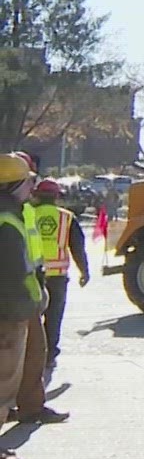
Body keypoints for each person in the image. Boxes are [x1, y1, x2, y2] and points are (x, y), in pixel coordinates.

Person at [9, 155, 64, 426]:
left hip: (27, 293)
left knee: (33, 353)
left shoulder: (24, 209)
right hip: (15, 297)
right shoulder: (10, 214)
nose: (33, 185)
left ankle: (30, 406)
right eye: (28, 179)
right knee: (12, 363)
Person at [0, 155, 42, 459]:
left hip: (12, 309)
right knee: (3, 383)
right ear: (15, 185)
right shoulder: (8, 220)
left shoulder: (11, 215)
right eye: (28, 181)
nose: (32, 186)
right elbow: (13, 273)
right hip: (9, 312)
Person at [27, 178, 87, 383]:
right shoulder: (66, 218)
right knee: (54, 318)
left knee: (30, 318)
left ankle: (28, 355)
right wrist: (84, 271)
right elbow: (77, 247)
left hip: (31, 276)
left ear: (36, 195)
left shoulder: (27, 215)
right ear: (56, 197)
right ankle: (49, 355)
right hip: (58, 277)